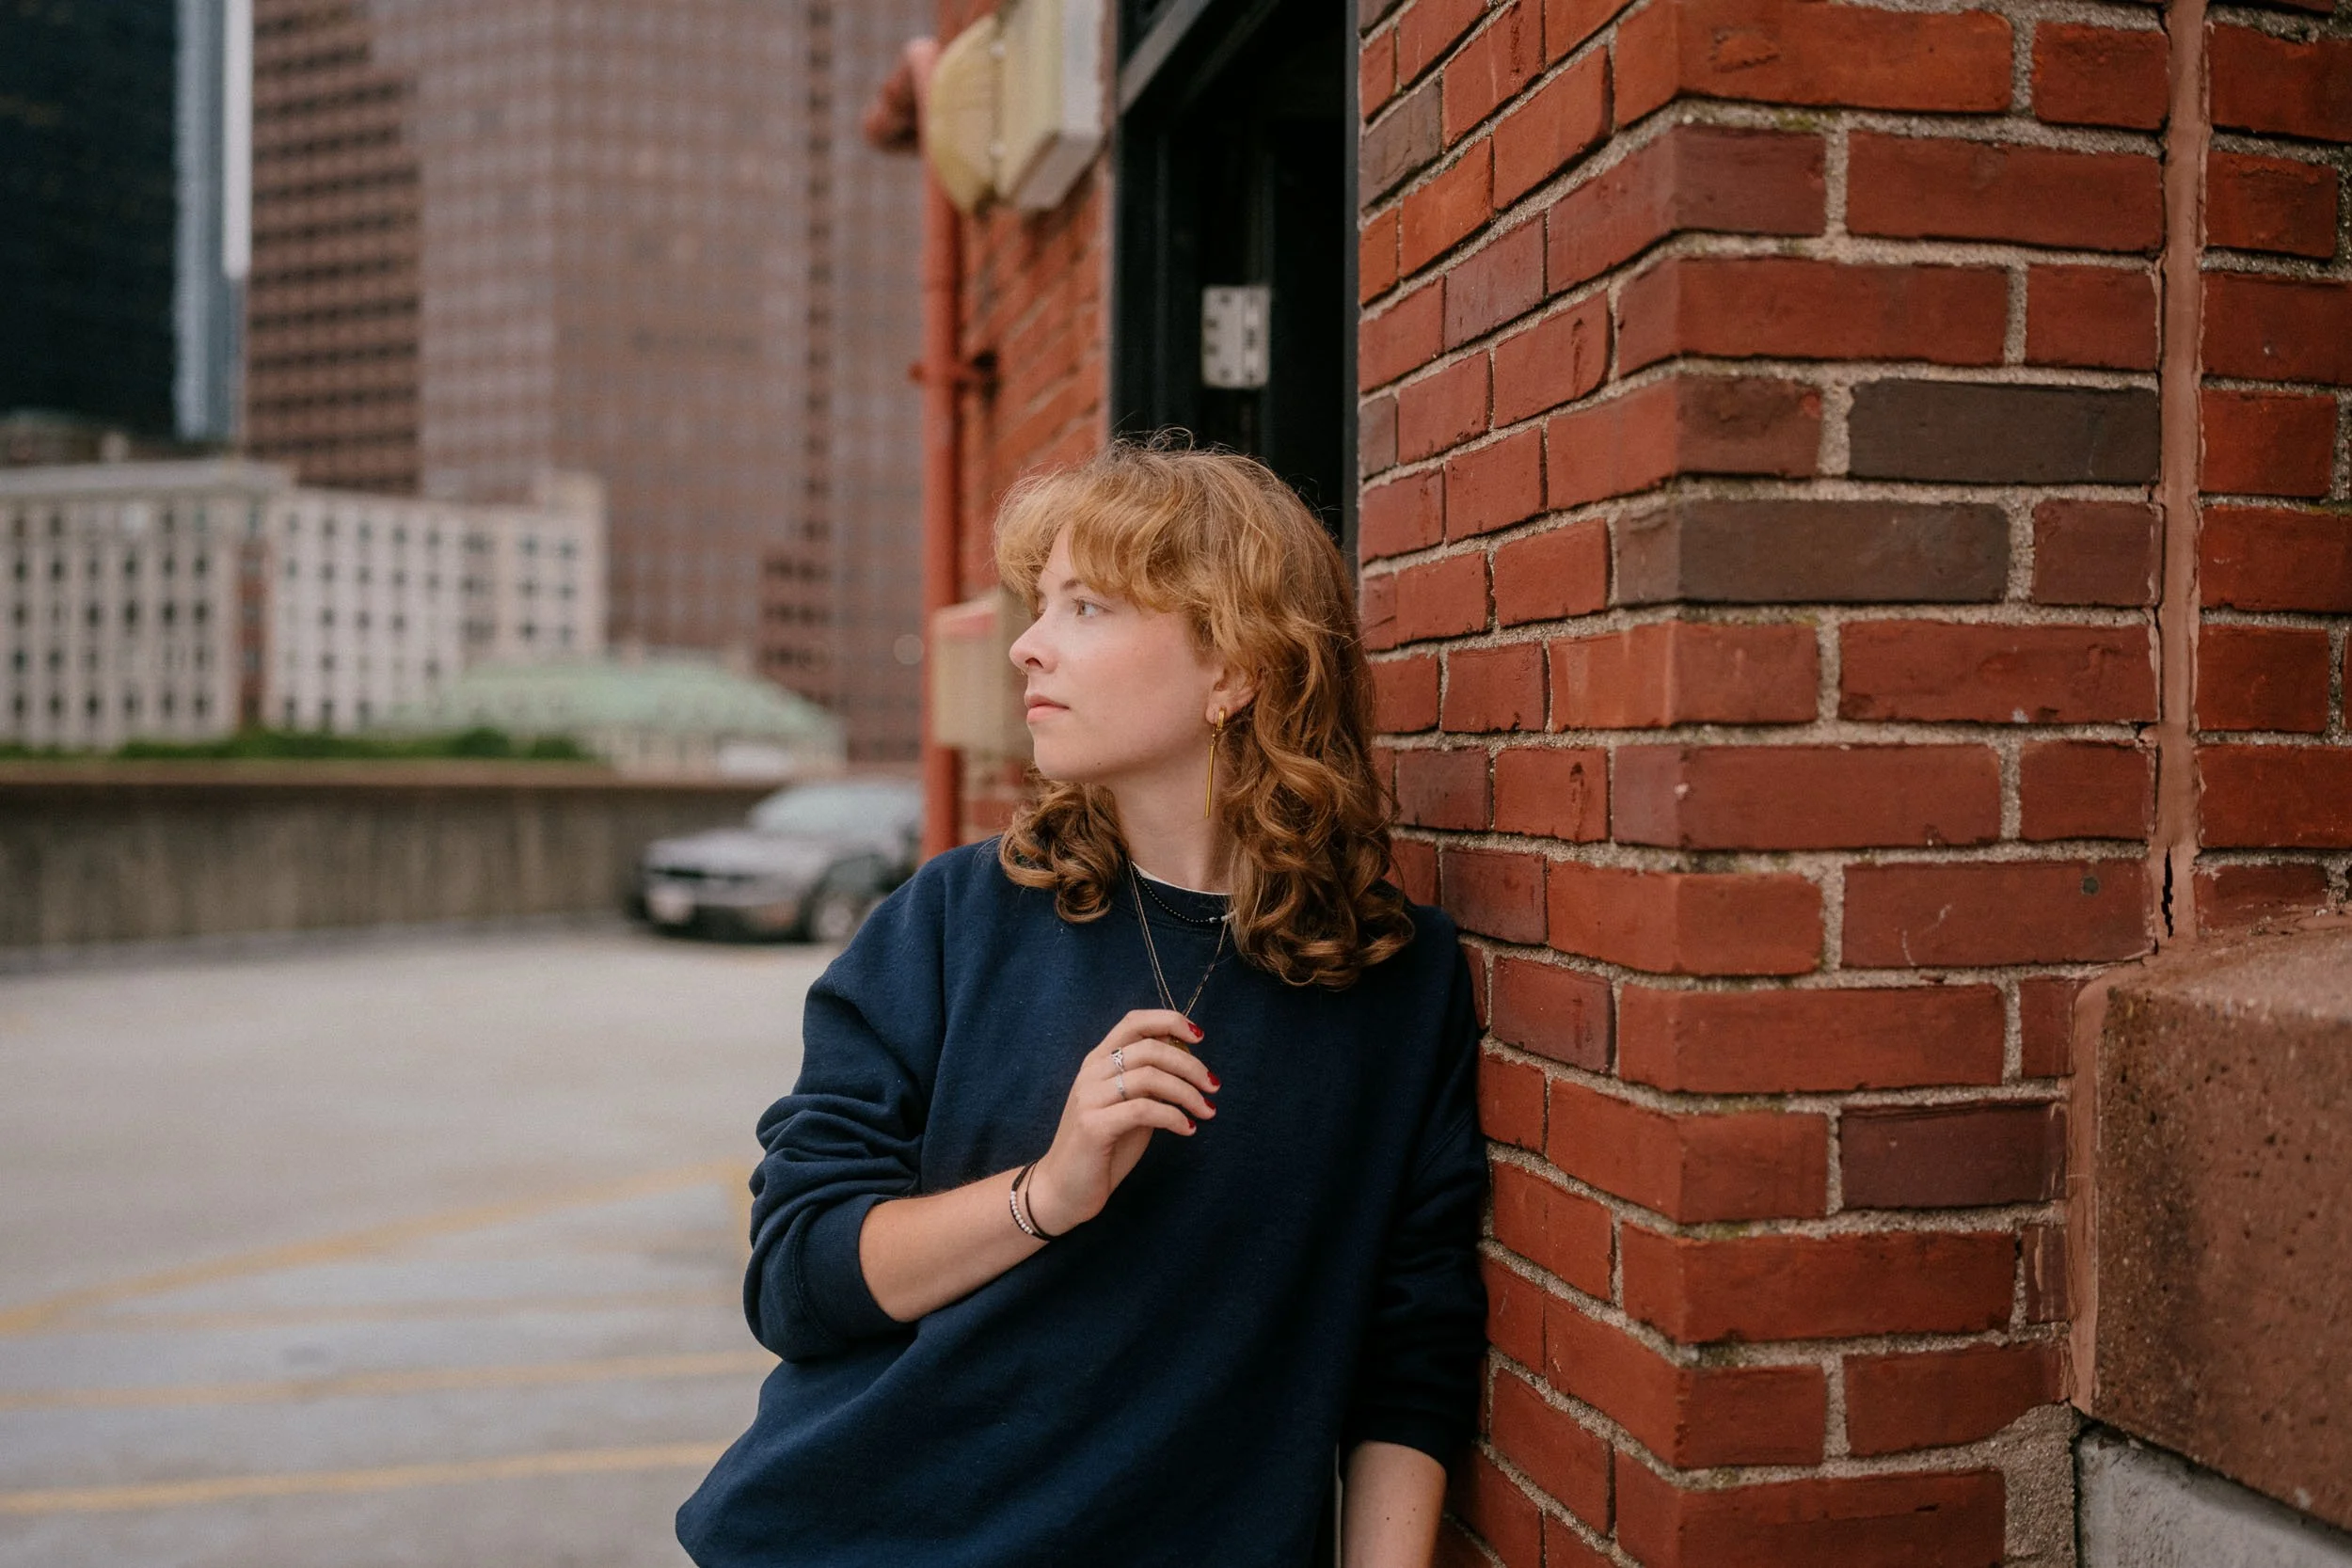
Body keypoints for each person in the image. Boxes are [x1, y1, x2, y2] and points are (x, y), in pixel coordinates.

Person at [676, 442, 1487, 1568]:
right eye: (1041, 602)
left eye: (1087, 606)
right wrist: (1047, 1192)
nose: (1027, 642)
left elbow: (1412, 1349)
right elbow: (796, 1279)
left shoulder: (1395, 978)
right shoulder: (952, 919)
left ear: (1234, 667)